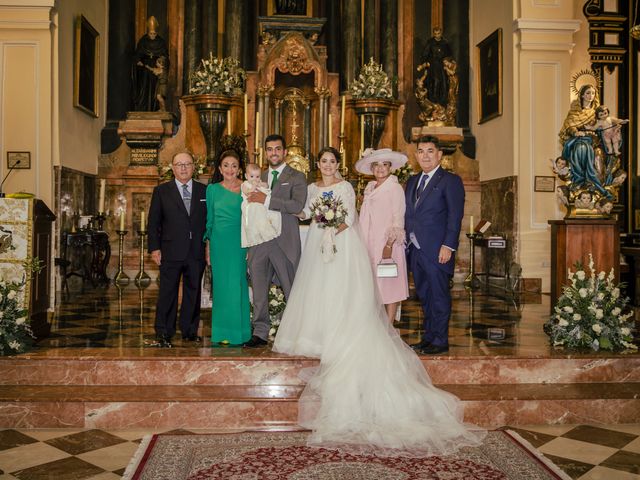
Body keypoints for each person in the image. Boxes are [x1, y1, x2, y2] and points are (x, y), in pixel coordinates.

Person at [273, 147, 484, 456]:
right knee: (326, 289)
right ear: (318, 164)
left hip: (358, 241)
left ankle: (419, 334)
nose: (328, 165)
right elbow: (307, 210)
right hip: (334, 240)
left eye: (332, 160)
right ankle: (332, 329)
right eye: (324, 161)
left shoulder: (363, 187)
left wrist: (337, 226)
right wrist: (303, 212)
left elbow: (356, 215)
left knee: (387, 289)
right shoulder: (339, 187)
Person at [244, 134, 307, 347]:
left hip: (284, 241)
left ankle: (295, 332)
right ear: (265, 152)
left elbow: (297, 205)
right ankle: (260, 332)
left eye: (277, 149)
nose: (273, 153)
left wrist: (267, 199)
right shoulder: (257, 176)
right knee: (259, 289)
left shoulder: (296, 176)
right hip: (260, 241)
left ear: (285, 151)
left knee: (291, 289)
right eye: (269, 149)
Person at [405, 136, 465, 355]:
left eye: (430, 151)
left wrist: (448, 246)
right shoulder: (412, 181)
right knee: (424, 295)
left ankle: (440, 340)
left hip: (437, 249)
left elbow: (454, 216)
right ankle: (429, 337)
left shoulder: (450, 181)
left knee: (439, 296)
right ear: (416, 155)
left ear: (440, 154)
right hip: (415, 250)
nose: (425, 155)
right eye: (421, 151)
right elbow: (409, 214)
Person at [148, 152, 207, 347]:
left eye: (187, 164)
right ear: (172, 168)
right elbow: (153, 223)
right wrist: (154, 248)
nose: (183, 168)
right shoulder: (161, 191)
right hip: (170, 250)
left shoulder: (204, 191)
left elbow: (208, 222)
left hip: (195, 251)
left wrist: (208, 247)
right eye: (179, 164)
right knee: (167, 292)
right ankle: (164, 331)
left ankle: (189, 331)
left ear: (194, 167)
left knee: (194, 291)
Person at [355, 148, 409, 322]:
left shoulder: (394, 188)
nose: (380, 168)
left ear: (390, 167)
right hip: (369, 242)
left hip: (387, 243)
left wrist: (389, 245)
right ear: (371, 168)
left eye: (384, 165)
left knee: (390, 284)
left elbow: (397, 218)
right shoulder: (370, 187)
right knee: (373, 284)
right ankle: (376, 322)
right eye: (376, 165)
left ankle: (390, 325)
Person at [203, 150, 251, 346]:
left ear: (239, 168)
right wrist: (208, 247)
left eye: (234, 165)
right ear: (220, 168)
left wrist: (249, 245)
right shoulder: (212, 189)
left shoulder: (246, 188)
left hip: (239, 242)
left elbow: (251, 219)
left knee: (238, 285)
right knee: (221, 288)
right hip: (218, 244)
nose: (230, 169)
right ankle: (222, 332)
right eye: (226, 165)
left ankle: (240, 333)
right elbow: (209, 221)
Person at [559, 84, 608, 197]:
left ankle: (593, 183)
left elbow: (605, 123)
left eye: (593, 93)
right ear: (581, 95)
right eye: (587, 93)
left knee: (598, 155)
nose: (590, 96)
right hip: (578, 139)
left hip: (594, 140)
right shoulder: (575, 111)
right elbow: (569, 125)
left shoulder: (597, 111)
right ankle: (579, 180)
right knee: (581, 148)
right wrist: (575, 132)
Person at [132, 16, 169, 112]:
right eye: (150, 33)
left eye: (154, 33)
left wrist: (161, 60)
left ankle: (155, 108)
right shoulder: (143, 40)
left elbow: (165, 56)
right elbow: (137, 54)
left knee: (155, 91)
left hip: (156, 67)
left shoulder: (161, 42)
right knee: (144, 89)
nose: (152, 35)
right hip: (144, 69)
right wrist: (138, 60)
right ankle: (143, 108)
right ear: (148, 32)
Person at [240, 163, 282, 248]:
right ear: (246, 176)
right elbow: (247, 193)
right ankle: (256, 235)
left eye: (257, 176)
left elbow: (266, 186)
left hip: (261, 205)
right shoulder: (244, 184)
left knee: (274, 215)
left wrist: (261, 184)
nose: (254, 179)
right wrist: (254, 186)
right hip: (250, 206)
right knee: (256, 223)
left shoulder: (259, 182)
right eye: (252, 176)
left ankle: (269, 230)